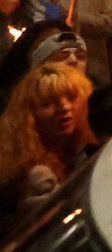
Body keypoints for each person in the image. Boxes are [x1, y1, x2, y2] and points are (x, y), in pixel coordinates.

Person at [0, 62, 95, 220]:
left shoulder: (84, 151)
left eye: (71, 98)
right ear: (29, 115)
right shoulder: (29, 173)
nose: (64, 107)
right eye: (48, 104)